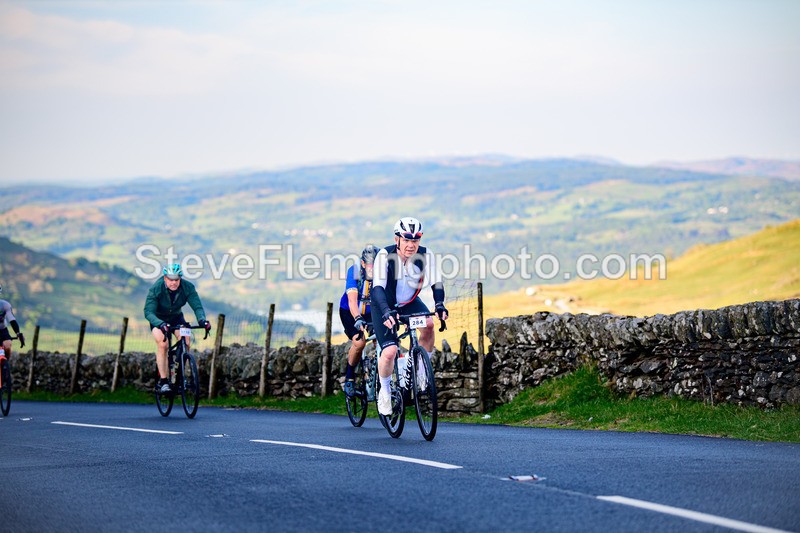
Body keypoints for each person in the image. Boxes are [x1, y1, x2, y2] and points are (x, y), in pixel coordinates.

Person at [370, 217, 448, 416]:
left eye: (415, 240)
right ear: (397, 239)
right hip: (384, 305)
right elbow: (377, 288)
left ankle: (420, 372)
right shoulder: (384, 255)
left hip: (409, 302)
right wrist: (386, 312)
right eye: (406, 240)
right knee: (389, 352)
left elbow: (437, 282)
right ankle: (385, 391)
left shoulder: (425, 254)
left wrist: (439, 304)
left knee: (429, 325)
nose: (411, 245)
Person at [144, 264, 210, 394]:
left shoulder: (188, 287)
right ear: (165, 278)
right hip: (158, 320)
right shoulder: (156, 289)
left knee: (186, 342)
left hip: (176, 318)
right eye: (171, 279)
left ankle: (179, 376)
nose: (174, 282)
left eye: (177, 279)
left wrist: (202, 320)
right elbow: (148, 312)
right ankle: (163, 382)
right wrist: (160, 324)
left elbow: (197, 307)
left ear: (180, 278)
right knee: (163, 345)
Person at [339, 245, 379, 396]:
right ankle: (349, 377)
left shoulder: (384, 271)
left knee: (384, 341)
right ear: (363, 264)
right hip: (350, 311)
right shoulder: (354, 271)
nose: (374, 270)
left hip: (372, 312)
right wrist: (357, 318)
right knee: (360, 342)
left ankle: (380, 377)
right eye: (370, 266)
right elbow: (352, 301)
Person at [0, 284, 25, 359]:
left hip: (2, 330)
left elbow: (12, 320)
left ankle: (5, 365)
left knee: (7, 347)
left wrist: (18, 333)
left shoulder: (5, 305)